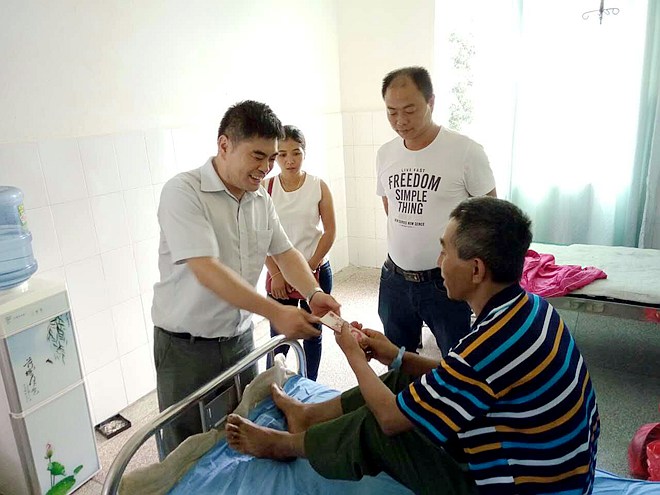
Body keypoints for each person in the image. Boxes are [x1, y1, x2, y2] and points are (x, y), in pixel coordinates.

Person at [226, 197, 600, 495]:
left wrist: (355, 357)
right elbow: (462, 376)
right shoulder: (530, 308)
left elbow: (391, 419)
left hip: (522, 487)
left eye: (445, 252)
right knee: (406, 379)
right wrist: (396, 355)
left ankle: (285, 446)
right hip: (562, 472)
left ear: (476, 270)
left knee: (379, 429)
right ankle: (308, 416)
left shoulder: (489, 343)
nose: (438, 262)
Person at [152, 100, 340, 457]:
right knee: (185, 451)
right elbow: (206, 269)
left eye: (271, 157)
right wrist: (276, 311)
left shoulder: (259, 199)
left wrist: (313, 293)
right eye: (258, 156)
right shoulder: (184, 192)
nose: (266, 168)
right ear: (224, 145)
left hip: (239, 338)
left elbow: (285, 253)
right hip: (186, 348)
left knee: (240, 430)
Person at [376, 66, 497, 357]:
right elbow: (390, 205)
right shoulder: (385, 153)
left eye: (409, 110)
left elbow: (490, 218)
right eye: (392, 112)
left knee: (458, 361)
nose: (400, 121)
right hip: (395, 278)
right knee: (396, 359)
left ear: (431, 102)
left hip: (444, 282)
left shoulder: (465, 151)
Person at [264, 125, 336, 381]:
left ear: (305, 152)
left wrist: (310, 267)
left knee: (313, 332)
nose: (290, 160)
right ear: (275, 156)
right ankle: (273, 386)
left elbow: (330, 231)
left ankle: (310, 384)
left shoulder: (318, 186)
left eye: (296, 153)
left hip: (316, 269)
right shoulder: (266, 187)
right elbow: (261, 237)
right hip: (279, 273)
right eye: (282, 154)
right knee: (279, 337)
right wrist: (276, 274)